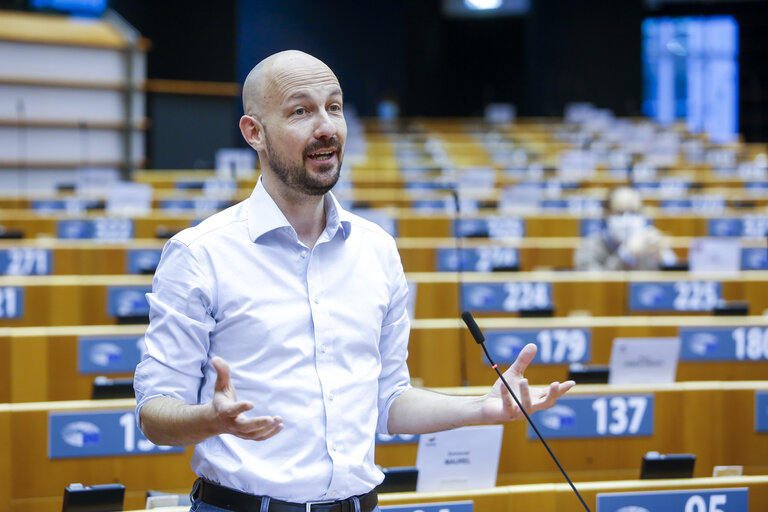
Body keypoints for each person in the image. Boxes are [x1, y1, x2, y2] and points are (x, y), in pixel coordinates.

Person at [134, 50, 574, 512]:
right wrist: (209, 419)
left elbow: (390, 401)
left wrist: (481, 409)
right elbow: (154, 413)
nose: (326, 126)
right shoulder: (200, 253)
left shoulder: (377, 250)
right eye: (301, 110)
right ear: (254, 133)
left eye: (335, 106)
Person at [574, 186, 677, 271]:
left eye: (634, 212)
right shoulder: (588, 248)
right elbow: (596, 288)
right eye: (620, 213)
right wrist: (627, 254)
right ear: (606, 215)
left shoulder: (649, 246)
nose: (627, 219)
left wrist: (665, 258)